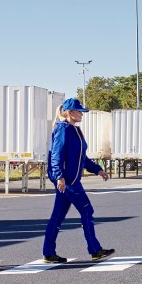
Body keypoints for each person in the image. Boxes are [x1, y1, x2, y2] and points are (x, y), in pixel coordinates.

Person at [42, 98, 115, 264]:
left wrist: (98, 169)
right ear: (69, 112)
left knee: (57, 216)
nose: (81, 114)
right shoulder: (63, 129)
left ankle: (48, 252)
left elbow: (82, 157)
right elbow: (56, 155)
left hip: (70, 179)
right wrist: (59, 176)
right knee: (87, 210)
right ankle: (95, 250)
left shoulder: (74, 130)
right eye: (78, 111)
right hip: (68, 181)